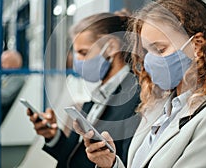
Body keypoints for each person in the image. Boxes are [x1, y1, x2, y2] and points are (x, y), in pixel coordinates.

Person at [79, 0, 206, 168]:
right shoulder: (157, 107)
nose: (149, 61)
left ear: (197, 45)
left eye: (159, 50)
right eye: (146, 52)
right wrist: (111, 164)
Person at [27, 13, 141, 168]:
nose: (78, 61)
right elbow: (76, 158)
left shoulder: (135, 100)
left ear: (112, 47)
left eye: (84, 52)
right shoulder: (99, 96)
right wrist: (52, 136)